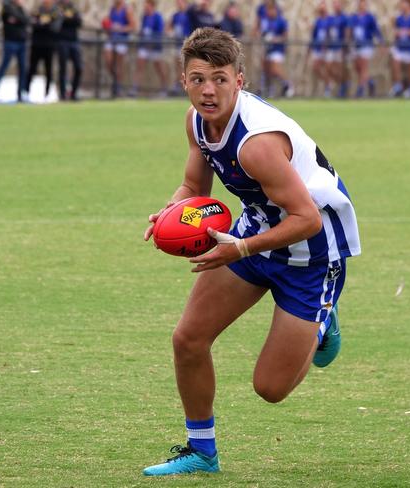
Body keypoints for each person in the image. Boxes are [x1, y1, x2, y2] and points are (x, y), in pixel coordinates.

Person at [142, 27, 360, 477]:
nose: (208, 90)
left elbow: (307, 219)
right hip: (255, 230)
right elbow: (194, 188)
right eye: (199, 78)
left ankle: (321, 321)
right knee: (188, 339)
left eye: (220, 79)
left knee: (271, 388)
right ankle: (202, 452)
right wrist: (171, 210)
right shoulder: (196, 122)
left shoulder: (257, 143)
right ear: (183, 79)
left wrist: (239, 249)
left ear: (239, 80)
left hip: (313, 252)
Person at [0, 0, 29, 102]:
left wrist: (18, 19)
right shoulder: (7, 7)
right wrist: (19, 19)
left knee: (22, 69)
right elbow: (15, 18)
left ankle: (20, 93)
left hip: (21, 42)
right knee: (3, 67)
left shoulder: (20, 9)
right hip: (10, 41)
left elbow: (26, 20)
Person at [26, 0, 62, 101]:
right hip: (37, 44)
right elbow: (32, 23)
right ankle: (26, 92)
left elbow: (55, 28)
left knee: (49, 70)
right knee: (32, 69)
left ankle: (47, 94)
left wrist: (43, 24)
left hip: (49, 45)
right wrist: (45, 24)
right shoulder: (37, 11)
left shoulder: (56, 12)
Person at [131, 0, 167, 97]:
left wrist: (152, 41)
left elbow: (159, 33)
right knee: (139, 66)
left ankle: (164, 88)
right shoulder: (145, 16)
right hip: (144, 46)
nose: (145, 7)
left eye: (147, 5)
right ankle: (135, 87)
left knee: (159, 68)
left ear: (152, 6)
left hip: (155, 47)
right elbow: (143, 30)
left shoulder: (157, 17)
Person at [348, 0, 383, 97]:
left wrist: (381, 42)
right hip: (356, 45)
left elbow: (376, 30)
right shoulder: (353, 17)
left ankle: (360, 90)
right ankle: (370, 81)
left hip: (366, 44)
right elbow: (350, 30)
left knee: (363, 66)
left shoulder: (370, 17)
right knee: (357, 67)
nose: (362, 5)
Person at [103, 0, 136, 98]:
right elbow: (109, 23)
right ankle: (116, 82)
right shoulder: (112, 9)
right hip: (112, 38)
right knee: (109, 62)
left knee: (118, 65)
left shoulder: (126, 10)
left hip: (121, 40)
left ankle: (118, 87)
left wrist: (121, 28)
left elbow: (133, 26)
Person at [260, 1, 293, 97]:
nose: (268, 13)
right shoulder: (267, 21)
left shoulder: (281, 21)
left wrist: (275, 39)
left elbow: (285, 36)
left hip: (278, 49)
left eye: (270, 10)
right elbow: (264, 34)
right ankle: (270, 90)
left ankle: (288, 85)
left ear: (275, 10)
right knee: (267, 70)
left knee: (275, 69)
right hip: (268, 49)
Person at [57, 0, 82, 101]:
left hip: (74, 42)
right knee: (63, 68)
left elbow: (78, 22)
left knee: (79, 67)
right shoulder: (57, 7)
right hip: (62, 41)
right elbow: (58, 22)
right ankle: (62, 94)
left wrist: (68, 19)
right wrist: (68, 19)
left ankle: (74, 93)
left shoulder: (73, 8)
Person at [326, 0, 350, 98]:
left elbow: (347, 32)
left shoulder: (344, 18)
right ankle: (341, 83)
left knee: (340, 68)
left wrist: (345, 45)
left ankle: (342, 87)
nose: (336, 6)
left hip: (340, 47)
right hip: (331, 46)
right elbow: (328, 32)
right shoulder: (331, 18)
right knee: (328, 67)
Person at [168, 0, 191, 95]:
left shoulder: (190, 14)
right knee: (178, 65)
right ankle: (178, 85)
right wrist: (171, 33)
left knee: (186, 66)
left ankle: (186, 86)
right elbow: (169, 27)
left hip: (188, 45)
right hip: (178, 44)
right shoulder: (175, 15)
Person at [309, 0, 330, 97]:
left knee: (327, 68)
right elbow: (314, 35)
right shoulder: (317, 21)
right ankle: (327, 85)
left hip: (327, 49)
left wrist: (327, 46)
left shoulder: (330, 20)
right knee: (316, 67)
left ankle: (328, 87)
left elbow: (331, 34)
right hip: (318, 48)